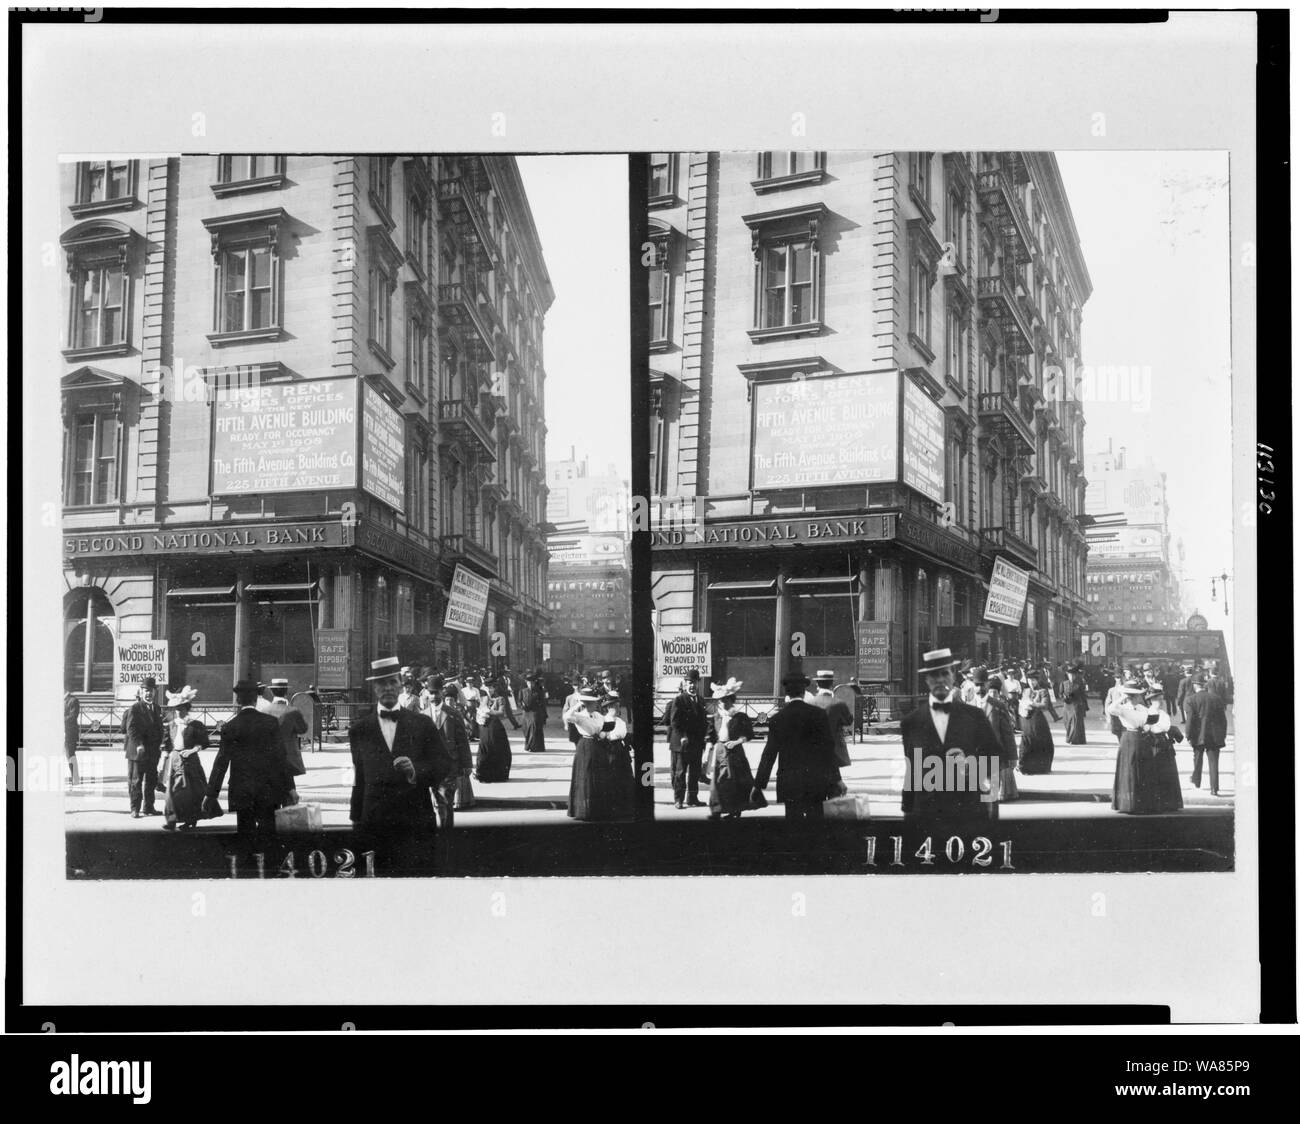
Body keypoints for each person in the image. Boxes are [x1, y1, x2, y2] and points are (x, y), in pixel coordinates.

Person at [347, 656, 455, 870]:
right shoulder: (359, 730)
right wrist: (356, 820)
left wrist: (417, 770)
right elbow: (359, 778)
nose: (387, 688)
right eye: (381, 683)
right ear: (374, 687)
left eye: (392, 682)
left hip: (414, 819)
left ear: (400, 684)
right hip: (374, 821)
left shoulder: (422, 724)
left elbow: (443, 764)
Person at [900, 649, 1002, 824]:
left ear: (953, 676)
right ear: (926, 680)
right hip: (926, 812)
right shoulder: (911, 722)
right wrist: (908, 813)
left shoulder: (975, 716)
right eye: (933, 675)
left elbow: (993, 758)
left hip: (967, 810)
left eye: (944, 673)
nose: (939, 679)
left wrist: (990, 810)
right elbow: (912, 770)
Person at [203, 679, 294, 847]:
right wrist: (291, 788)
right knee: (269, 835)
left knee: (245, 836)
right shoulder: (270, 723)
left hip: (241, 790)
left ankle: (249, 867)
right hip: (268, 789)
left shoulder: (230, 727)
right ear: (255, 699)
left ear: (238, 700)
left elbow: (221, 763)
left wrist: (211, 794)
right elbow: (281, 758)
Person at [752, 670, 840, 821]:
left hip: (789, 782)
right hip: (815, 780)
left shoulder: (777, 719)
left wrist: (759, 784)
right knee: (816, 823)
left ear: (787, 692)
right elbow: (828, 750)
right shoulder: (818, 715)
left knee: (793, 825)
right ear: (804, 691)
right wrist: (837, 779)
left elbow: (769, 754)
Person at [1109, 680, 1184, 814]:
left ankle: (1142, 803)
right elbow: (1111, 709)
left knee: (1143, 771)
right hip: (1129, 738)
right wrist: (1122, 697)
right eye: (1138, 695)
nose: (1140, 697)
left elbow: (1152, 719)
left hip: (1142, 738)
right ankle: (1128, 804)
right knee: (1130, 769)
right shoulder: (1123, 708)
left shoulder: (1141, 708)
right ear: (1132, 696)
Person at [567, 691, 635, 821]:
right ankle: (586, 809)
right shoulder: (580, 716)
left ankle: (614, 808)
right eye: (614, 706)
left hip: (608, 749)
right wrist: (578, 704)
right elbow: (568, 716)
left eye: (617, 705)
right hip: (592, 746)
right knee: (587, 776)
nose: (617, 708)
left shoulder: (599, 716)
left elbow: (605, 731)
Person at [703, 678, 760, 820]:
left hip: (735, 752)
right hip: (720, 752)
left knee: (734, 782)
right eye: (720, 701)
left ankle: (735, 810)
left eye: (725, 700)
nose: (722, 703)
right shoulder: (716, 717)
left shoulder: (740, 717)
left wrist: (736, 742)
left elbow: (749, 735)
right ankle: (716, 810)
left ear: (731, 700)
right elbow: (711, 736)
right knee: (718, 781)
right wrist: (707, 753)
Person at [161, 688, 211, 832]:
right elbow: (166, 744)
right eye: (175, 709)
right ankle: (171, 820)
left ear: (186, 708)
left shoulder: (196, 725)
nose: (177, 711)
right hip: (174, 760)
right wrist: (164, 760)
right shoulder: (171, 725)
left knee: (189, 791)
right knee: (171, 791)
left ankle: (190, 820)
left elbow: (205, 743)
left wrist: (192, 750)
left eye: (180, 708)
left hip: (190, 761)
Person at [122, 676, 165, 818]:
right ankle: (135, 808)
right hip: (138, 751)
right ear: (141, 692)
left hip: (152, 752)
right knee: (136, 780)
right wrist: (139, 745)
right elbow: (131, 729)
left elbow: (159, 729)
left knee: (151, 780)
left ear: (155, 692)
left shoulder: (157, 708)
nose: (148, 693)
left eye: (151, 690)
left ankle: (149, 807)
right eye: (146, 690)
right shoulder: (135, 708)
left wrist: (162, 744)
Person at [667, 669, 709, 809]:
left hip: (696, 743)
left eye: (694, 682)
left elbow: (703, 722)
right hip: (682, 743)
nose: (692, 685)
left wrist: (706, 737)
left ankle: (692, 798)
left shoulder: (701, 700)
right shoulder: (679, 700)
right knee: (680, 773)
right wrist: (684, 736)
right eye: (689, 682)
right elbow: (674, 722)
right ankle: (678, 799)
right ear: (685, 684)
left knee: (695, 772)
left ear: (698, 683)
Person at [1184, 673, 1228, 796]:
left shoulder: (1190, 700)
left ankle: (1197, 781)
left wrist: (1188, 735)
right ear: (1205, 685)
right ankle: (1214, 789)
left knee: (1197, 758)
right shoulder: (1216, 698)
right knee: (1214, 763)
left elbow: (1190, 720)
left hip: (1198, 735)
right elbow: (1223, 720)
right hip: (1214, 736)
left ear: (1194, 685)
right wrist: (1222, 735)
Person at [433, 684, 475, 809]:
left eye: (451, 700)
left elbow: (462, 740)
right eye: (447, 699)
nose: (449, 702)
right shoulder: (428, 713)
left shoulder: (456, 713)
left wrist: (467, 763)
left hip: (453, 756)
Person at [980, 672, 1018, 800]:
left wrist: (1013, 756)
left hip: (995, 753)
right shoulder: (968, 706)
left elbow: (1008, 734)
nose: (979, 688)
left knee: (991, 797)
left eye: (982, 685)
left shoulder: (998, 706)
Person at [474, 678, 519, 783]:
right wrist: (480, 713)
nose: (489, 690)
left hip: (495, 727)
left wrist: (489, 711)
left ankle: (497, 774)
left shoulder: (500, 699)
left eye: (491, 688)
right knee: (484, 748)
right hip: (484, 726)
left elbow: (501, 713)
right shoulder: (484, 698)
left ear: (495, 688)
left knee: (496, 748)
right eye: (488, 688)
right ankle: (482, 773)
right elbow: (480, 710)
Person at [811, 669, 854, 771]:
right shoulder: (839, 703)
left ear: (817, 683)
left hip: (814, 747)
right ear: (832, 684)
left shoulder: (810, 702)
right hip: (835, 748)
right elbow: (848, 721)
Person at [1017, 669, 1057, 774]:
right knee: (1026, 742)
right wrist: (1022, 709)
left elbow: (1045, 705)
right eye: (1030, 680)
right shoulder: (1025, 691)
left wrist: (1032, 704)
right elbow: (1021, 704)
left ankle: (1041, 767)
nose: (1032, 683)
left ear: (1037, 680)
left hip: (1038, 721)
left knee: (1041, 742)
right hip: (1026, 720)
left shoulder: (1043, 691)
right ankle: (1025, 766)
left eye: (1033, 680)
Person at [520, 673, 549, 753]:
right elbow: (519, 701)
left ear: (534, 682)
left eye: (532, 682)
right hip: (526, 713)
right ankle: (528, 745)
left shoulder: (539, 690)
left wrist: (544, 714)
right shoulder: (523, 691)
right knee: (526, 729)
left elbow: (543, 702)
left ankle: (534, 746)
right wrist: (522, 705)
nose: (530, 684)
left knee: (534, 728)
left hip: (535, 712)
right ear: (526, 682)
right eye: (528, 682)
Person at [1061, 664, 1089, 745]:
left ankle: (1073, 739)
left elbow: (1083, 694)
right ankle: (1073, 737)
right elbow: (1061, 694)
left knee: (1075, 722)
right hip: (1067, 705)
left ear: (1075, 675)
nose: (1071, 676)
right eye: (1069, 674)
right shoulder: (1064, 683)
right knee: (1067, 722)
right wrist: (1064, 696)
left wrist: (1084, 706)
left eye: (1073, 674)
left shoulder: (1080, 683)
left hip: (1076, 704)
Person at [63, 690, 81, 787]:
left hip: (69, 732)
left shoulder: (73, 700)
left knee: (70, 755)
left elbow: (73, 716)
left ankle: (75, 778)